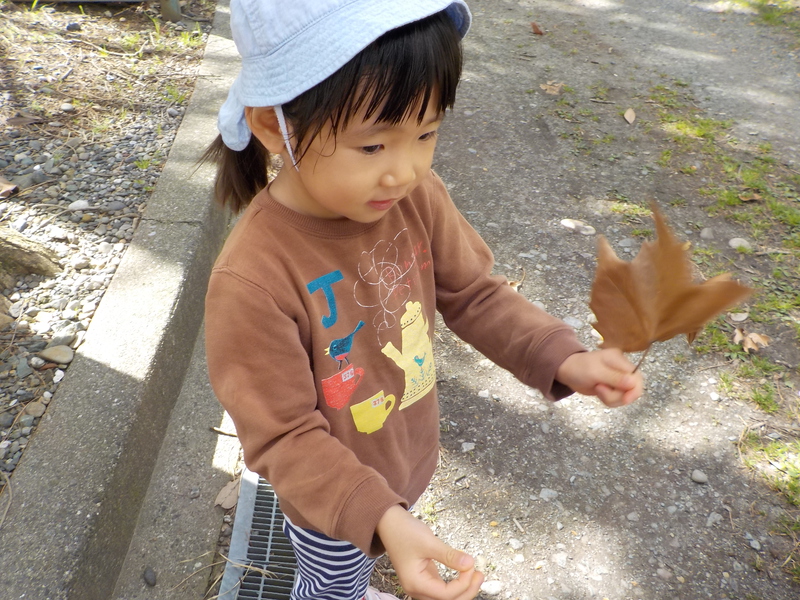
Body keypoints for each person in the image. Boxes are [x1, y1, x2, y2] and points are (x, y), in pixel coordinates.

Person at [202, 2, 644, 600]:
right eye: (372, 147)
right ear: (272, 125)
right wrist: (382, 518)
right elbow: (283, 437)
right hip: (332, 496)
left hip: (405, 452)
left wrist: (563, 357)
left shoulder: (415, 198)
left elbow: (474, 294)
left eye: (427, 133)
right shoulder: (253, 277)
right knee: (333, 586)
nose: (405, 171)